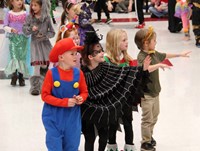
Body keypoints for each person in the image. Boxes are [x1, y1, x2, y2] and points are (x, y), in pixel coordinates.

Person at [80, 31, 151, 151]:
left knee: (104, 136)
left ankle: (121, 146)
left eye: (102, 50)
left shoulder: (106, 66)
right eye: (98, 51)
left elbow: (124, 72)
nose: (102, 52)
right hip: (90, 109)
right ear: (90, 56)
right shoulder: (82, 72)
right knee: (90, 137)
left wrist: (142, 69)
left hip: (109, 106)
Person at [134, 26, 191, 151]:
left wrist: (179, 54)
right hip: (147, 94)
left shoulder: (153, 53)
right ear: (145, 43)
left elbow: (164, 55)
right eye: (154, 40)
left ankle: (149, 136)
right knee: (147, 119)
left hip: (155, 92)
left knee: (155, 116)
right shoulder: (142, 56)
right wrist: (158, 65)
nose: (156, 42)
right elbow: (145, 69)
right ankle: (145, 142)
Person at [41, 38, 88, 151]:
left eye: (76, 54)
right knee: (54, 146)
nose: (75, 56)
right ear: (61, 57)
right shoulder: (51, 74)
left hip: (72, 119)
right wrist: (64, 102)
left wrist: (80, 98)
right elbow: (45, 95)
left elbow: (84, 92)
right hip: (53, 117)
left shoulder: (79, 73)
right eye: (72, 54)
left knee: (72, 145)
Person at [105, 28, 137, 151]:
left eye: (127, 39)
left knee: (128, 122)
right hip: (112, 99)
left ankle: (129, 145)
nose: (127, 42)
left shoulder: (128, 59)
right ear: (114, 42)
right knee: (112, 124)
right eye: (124, 40)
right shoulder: (107, 60)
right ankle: (112, 145)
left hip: (126, 98)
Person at [23, 0, 55, 95]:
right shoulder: (30, 17)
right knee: (36, 66)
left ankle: (45, 82)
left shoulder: (47, 18)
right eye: (32, 5)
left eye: (35, 5)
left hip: (45, 45)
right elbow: (25, 30)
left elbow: (52, 32)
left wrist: (44, 35)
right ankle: (35, 87)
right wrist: (30, 29)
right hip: (35, 45)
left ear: (42, 6)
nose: (33, 7)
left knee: (44, 65)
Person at [3, 0, 30, 86]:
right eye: (17, 0)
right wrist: (11, 29)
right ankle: (14, 75)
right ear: (12, 2)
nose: (20, 2)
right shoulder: (9, 13)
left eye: (21, 0)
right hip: (13, 38)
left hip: (23, 39)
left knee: (22, 57)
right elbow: (5, 26)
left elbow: (29, 25)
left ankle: (21, 76)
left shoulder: (25, 14)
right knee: (14, 56)